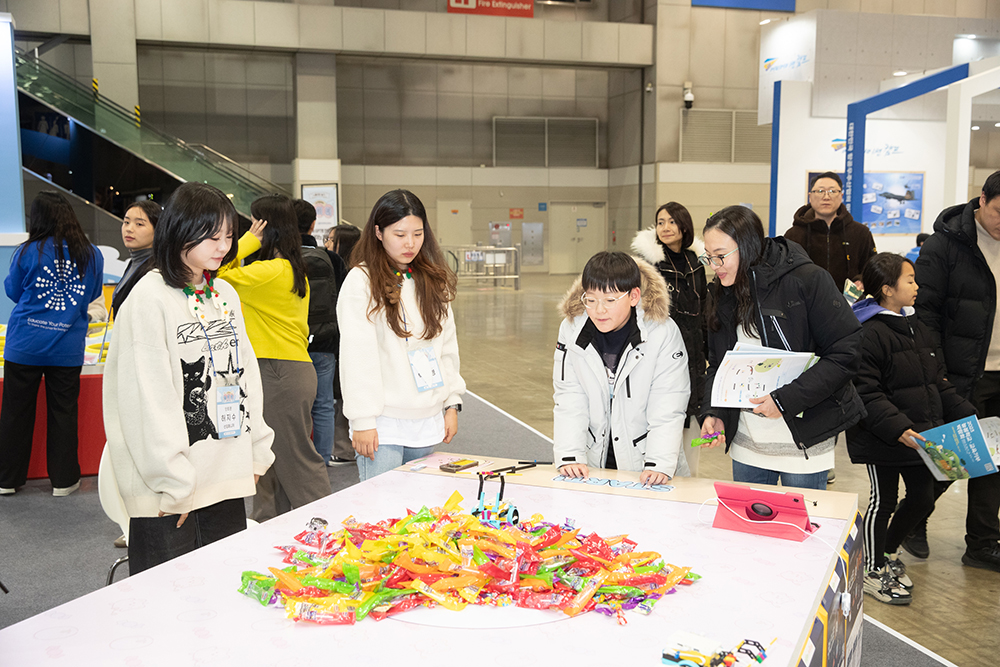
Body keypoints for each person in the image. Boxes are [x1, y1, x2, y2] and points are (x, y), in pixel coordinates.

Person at [102, 182, 275, 574]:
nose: (224, 247)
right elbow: (147, 400)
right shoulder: (149, 297)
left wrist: (256, 451)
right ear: (181, 231)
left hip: (224, 476)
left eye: (229, 236)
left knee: (223, 589)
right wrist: (174, 481)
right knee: (169, 598)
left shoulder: (224, 294)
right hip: (168, 490)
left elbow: (245, 376)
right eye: (213, 237)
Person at [698, 206, 865, 490]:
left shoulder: (808, 280)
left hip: (804, 443)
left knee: (801, 519)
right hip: (747, 445)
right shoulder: (723, 291)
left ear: (748, 247)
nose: (714, 265)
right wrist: (714, 411)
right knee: (748, 518)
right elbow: (719, 363)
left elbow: (845, 353)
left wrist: (786, 400)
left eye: (721, 256)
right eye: (708, 257)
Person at [848, 253, 976, 605]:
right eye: (910, 280)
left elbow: (937, 383)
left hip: (920, 436)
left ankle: (888, 553)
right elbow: (865, 391)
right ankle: (871, 570)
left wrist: (968, 415)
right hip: (882, 436)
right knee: (883, 502)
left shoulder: (918, 327)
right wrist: (898, 427)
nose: (917, 286)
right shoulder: (869, 332)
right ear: (887, 289)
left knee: (922, 498)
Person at [337, 189, 465, 481]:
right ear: (378, 233)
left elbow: (446, 347)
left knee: (420, 504)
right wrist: (363, 419)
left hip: (427, 417)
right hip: (383, 423)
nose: (410, 243)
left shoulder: (432, 280)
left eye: (418, 234)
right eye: (400, 234)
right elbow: (357, 356)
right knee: (383, 505)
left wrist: (451, 403)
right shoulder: (361, 281)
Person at [218, 193, 331, 521]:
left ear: (265, 227)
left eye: (254, 223)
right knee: (266, 459)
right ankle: (267, 526)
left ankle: (326, 527)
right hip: (282, 369)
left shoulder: (269, 272)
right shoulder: (285, 269)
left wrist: (246, 243)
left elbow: (216, 275)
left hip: (278, 371)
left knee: (296, 460)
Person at [914, 169, 1000, 572]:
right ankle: (912, 520)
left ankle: (983, 542)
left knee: (995, 462)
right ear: (982, 200)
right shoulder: (946, 245)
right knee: (954, 456)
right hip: (961, 371)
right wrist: (936, 367)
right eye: (999, 212)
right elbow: (925, 311)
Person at [553, 252, 691, 484]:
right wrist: (570, 455)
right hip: (591, 462)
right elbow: (569, 397)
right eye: (591, 300)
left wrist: (658, 463)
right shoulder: (572, 330)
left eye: (610, 300)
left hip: (646, 462)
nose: (599, 310)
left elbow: (668, 404)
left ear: (634, 296)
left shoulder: (661, 332)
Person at [0, 192, 104, 497]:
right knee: (63, 414)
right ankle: (63, 481)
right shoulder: (92, 254)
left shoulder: (28, 251)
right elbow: (91, 295)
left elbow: (13, 291)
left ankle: (6, 480)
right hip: (67, 349)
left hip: (25, 344)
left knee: (15, 414)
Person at [631, 202, 707, 475]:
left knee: (693, 421)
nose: (665, 227)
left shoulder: (696, 263)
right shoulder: (648, 265)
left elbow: (704, 309)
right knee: (665, 414)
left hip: (694, 351)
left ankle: (690, 478)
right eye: (661, 222)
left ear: (684, 226)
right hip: (662, 350)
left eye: (672, 222)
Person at [293, 199, 353, 466]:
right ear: (313, 224)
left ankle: (298, 462)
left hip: (293, 342)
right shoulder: (331, 259)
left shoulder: (281, 259)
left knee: (293, 407)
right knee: (324, 404)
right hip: (326, 341)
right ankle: (322, 461)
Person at [785, 172, 877, 292]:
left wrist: (861, 280)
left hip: (849, 301)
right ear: (810, 196)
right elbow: (784, 272)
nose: (826, 197)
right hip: (805, 300)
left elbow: (872, 268)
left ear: (841, 196)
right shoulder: (793, 235)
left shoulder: (861, 233)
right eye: (820, 191)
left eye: (832, 191)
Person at [111, 200, 162, 318]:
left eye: (139, 224)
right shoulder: (134, 263)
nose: (129, 229)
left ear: (158, 230)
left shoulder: (156, 270)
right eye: (126, 222)